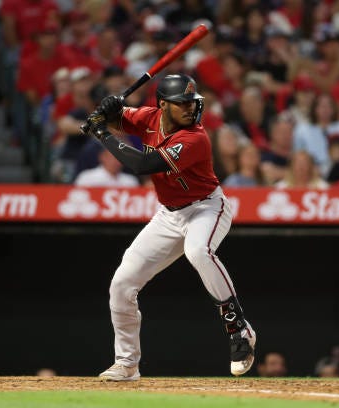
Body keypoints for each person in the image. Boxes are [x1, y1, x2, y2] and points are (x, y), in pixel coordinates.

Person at [83, 74, 256, 381]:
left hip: (206, 207)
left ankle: (238, 328)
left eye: (192, 102)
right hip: (169, 215)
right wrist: (108, 109)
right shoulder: (149, 117)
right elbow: (118, 118)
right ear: (163, 105)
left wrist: (103, 133)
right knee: (122, 285)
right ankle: (126, 363)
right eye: (182, 104)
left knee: (198, 251)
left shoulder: (196, 138)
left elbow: (142, 165)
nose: (190, 108)